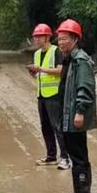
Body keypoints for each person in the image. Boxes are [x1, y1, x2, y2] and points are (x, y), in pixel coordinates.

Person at [56, 19, 97, 193]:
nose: (60, 42)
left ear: (74, 39)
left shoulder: (80, 61)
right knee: (78, 153)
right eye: (59, 39)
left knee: (78, 155)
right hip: (68, 114)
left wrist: (80, 112)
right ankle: (82, 190)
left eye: (64, 39)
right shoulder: (70, 59)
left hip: (74, 115)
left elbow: (85, 88)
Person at [28, 24, 70, 170]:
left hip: (54, 95)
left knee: (57, 126)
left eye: (39, 37)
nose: (36, 40)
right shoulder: (37, 54)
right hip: (41, 95)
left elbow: (60, 70)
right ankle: (51, 156)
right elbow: (41, 74)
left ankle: (65, 157)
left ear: (47, 37)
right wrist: (34, 73)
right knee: (45, 126)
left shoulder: (56, 51)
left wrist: (41, 69)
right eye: (35, 37)